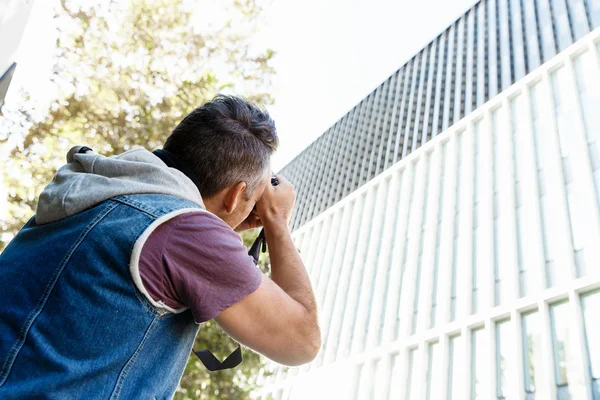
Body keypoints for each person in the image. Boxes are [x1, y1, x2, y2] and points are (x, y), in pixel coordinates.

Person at [0, 95, 321, 399]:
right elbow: (303, 340)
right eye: (252, 198)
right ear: (236, 195)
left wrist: (225, 221)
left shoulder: (93, 189)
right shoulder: (188, 233)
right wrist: (276, 220)